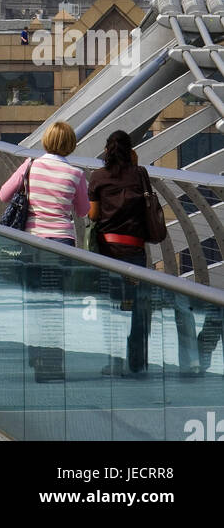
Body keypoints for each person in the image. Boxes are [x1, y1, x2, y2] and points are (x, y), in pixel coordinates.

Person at [0, 121, 89, 382]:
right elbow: (83, 211)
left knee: (35, 300)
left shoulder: (30, 165)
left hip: (32, 241)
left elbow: (4, 194)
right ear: (71, 144)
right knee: (56, 303)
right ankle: (52, 363)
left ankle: (36, 351)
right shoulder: (76, 174)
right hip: (62, 243)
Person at [88, 130, 153, 377]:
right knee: (139, 306)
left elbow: (93, 215)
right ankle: (137, 362)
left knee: (111, 307)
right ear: (130, 152)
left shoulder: (97, 177)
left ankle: (113, 363)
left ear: (107, 151)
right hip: (135, 248)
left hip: (107, 250)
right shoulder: (139, 175)